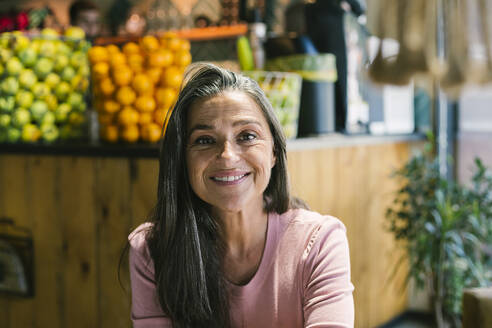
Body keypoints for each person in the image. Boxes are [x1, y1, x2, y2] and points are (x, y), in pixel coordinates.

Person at [128, 63, 354, 327]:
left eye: (247, 136)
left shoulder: (320, 243)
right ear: (182, 160)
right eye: (204, 139)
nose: (227, 156)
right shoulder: (152, 249)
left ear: (273, 152)